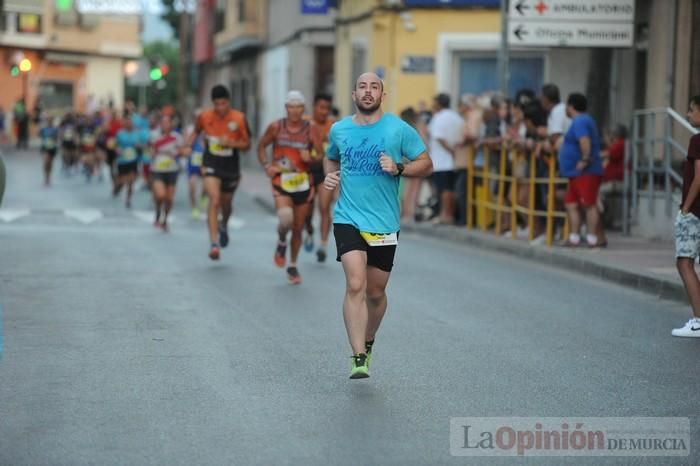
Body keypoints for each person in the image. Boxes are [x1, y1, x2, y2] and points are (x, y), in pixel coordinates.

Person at [323, 72, 432, 379]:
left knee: (375, 292)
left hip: (384, 221)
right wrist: (330, 176)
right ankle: (358, 356)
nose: (368, 91)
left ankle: (368, 339)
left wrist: (400, 167)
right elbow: (330, 158)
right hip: (348, 217)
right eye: (362, 86)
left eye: (374, 87)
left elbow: (426, 163)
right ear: (354, 95)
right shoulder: (339, 129)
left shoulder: (399, 129)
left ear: (382, 95)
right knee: (355, 283)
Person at [257, 90, 321, 284]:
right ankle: (282, 240)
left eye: (299, 106)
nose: (295, 110)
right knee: (286, 219)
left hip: (303, 182)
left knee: (298, 227)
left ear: (303, 108)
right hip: (281, 181)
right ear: (286, 108)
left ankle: (292, 265)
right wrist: (267, 166)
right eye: (291, 106)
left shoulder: (311, 129)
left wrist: (311, 158)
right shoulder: (276, 127)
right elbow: (261, 146)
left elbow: (321, 155)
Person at [185, 84, 251, 261]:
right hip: (211, 162)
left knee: (226, 204)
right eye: (217, 104)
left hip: (230, 165)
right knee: (214, 199)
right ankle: (214, 244)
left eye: (223, 103)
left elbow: (247, 145)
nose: (220, 108)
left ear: (228, 102)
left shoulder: (239, 118)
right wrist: (188, 146)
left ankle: (224, 225)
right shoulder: (204, 117)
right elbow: (195, 132)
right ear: (213, 103)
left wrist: (231, 143)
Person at [559, 93, 606, 247]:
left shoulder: (580, 121)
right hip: (575, 173)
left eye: (567, 105)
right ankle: (574, 237)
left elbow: (584, 140)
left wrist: (585, 159)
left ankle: (593, 238)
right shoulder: (580, 121)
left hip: (586, 172)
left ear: (571, 106)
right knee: (571, 204)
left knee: (589, 204)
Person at [672, 95, 700, 337]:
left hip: (696, 212)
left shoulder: (697, 141)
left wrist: (686, 208)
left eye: (691, 110)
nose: (688, 115)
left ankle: (699, 320)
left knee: (684, 262)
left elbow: (699, 176)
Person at [304, 92, 335, 262]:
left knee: (324, 207)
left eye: (327, 109)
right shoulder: (305, 124)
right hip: (307, 172)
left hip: (326, 172)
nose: (324, 112)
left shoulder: (334, 127)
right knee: (307, 210)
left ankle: (322, 245)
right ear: (314, 107)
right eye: (321, 108)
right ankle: (308, 229)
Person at [428, 93, 464, 224]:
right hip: (454, 161)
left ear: (439, 103)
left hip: (441, 160)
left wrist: (451, 150)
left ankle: (445, 215)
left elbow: (439, 138)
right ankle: (449, 214)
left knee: (444, 190)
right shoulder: (457, 117)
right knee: (451, 189)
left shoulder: (439, 117)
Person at [150, 114, 185, 231]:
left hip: (172, 170)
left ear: (171, 124)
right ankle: (158, 212)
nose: (165, 125)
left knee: (169, 199)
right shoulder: (154, 136)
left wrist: (177, 152)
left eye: (167, 122)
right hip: (157, 169)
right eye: (163, 123)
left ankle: (165, 220)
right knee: (160, 195)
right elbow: (150, 150)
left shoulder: (177, 137)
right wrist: (153, 153)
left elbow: (182, 150)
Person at [114, 116, 142, 209]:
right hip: (122, 160)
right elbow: (115, 145)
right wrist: (117, 149)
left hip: (133, 160)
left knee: (131, 181)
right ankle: (117, 187)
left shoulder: (136, 134)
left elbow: (140, 145)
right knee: (122, 181)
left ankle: (128, 199)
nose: (129, 124)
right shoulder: (120, 133)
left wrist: (138, 146)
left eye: (130, 123)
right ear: (124, 124)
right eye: (127, 123)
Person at [187, 130, 207, 220]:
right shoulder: (194, 141)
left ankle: (203, 196)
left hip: (205, 170)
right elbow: (185, 148)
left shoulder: (210, 143)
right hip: (193, 169)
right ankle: (194, 208)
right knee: (192, 187)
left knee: (206, 187)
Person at [39, 117, 59, 186]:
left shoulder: (55, 129)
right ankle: (45, 178)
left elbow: (56, 139)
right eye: (48, 121)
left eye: (51, 121)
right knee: (46, 162)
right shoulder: (43, 129)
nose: (49, 122)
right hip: (45, 148)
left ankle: (49, 177)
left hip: (52, 148)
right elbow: (40, 136)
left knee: (50, 163)